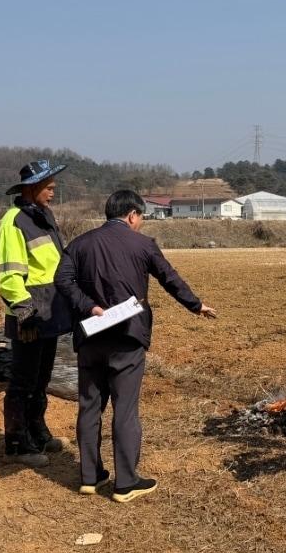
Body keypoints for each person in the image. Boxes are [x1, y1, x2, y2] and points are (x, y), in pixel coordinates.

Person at [55, 189, 216, 502]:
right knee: (125, 409)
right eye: (141, 217)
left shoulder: (79, 244)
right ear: (132, 215)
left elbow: (62, 281)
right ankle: (126, 483)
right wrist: (196, 306)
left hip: (90, 336)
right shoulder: (143, 244)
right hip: (127, 337)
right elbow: (170, 278)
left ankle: (90, 476)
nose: (140, 223)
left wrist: (89, 306)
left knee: (90, 405)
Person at [0, 159, 73, 466]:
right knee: (23, 380)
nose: (53, 192)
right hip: (29, 315)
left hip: (49, 313)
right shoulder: (14, 221)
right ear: (31, 188)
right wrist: (23, 311)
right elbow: (9, 275)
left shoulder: (43, 216)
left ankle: (36, 430)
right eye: (49, 187)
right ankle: (17, 442)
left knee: (41, 378)